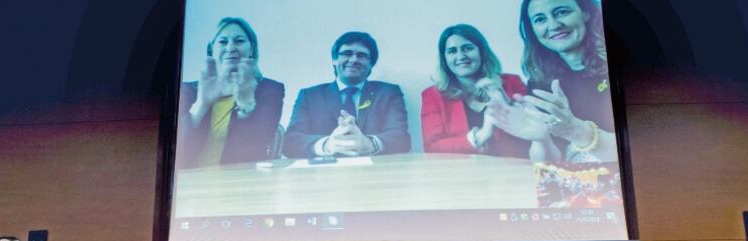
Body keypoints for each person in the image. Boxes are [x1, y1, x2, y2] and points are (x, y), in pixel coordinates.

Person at [490, 0, 617, 164]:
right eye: (540, 19)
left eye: (562, 12)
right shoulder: (540, 82)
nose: (553, 25)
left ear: (586, 13)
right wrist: (541, 140)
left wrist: (575, 130)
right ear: (533, 30)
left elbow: (637, 148)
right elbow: (548, 164)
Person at [283, 31, 411, 158]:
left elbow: (401, 138)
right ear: (334, 60)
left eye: (361, 55)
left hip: (374, 174)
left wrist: (370, 144)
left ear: (371, 64)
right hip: (322, 174)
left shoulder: (388, 93)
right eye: (347, 53)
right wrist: (326, 146)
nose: (354, 59)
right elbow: (290, 142)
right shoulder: (309, 96)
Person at [176, 17, 285, 167]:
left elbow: (256, 149)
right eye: (222, 42)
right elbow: (175, 150)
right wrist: (201, 105)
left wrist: (246, 105)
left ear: (251, 49)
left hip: (238, 181)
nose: (230, 47)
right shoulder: (187, 90)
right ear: (211, 49)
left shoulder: (270, 90)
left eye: (239, 41)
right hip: (188, 182)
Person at [420, 24, 530, 157]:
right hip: (461, 173)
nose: (461, 56)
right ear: (445, 59)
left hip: (512, 168)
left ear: (481, 52)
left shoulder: (512, 82)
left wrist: (506, 102)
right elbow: (432, 147)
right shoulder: (432, 96)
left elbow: (532, 131)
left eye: (467, 48)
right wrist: (482, 135)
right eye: (452, 51)